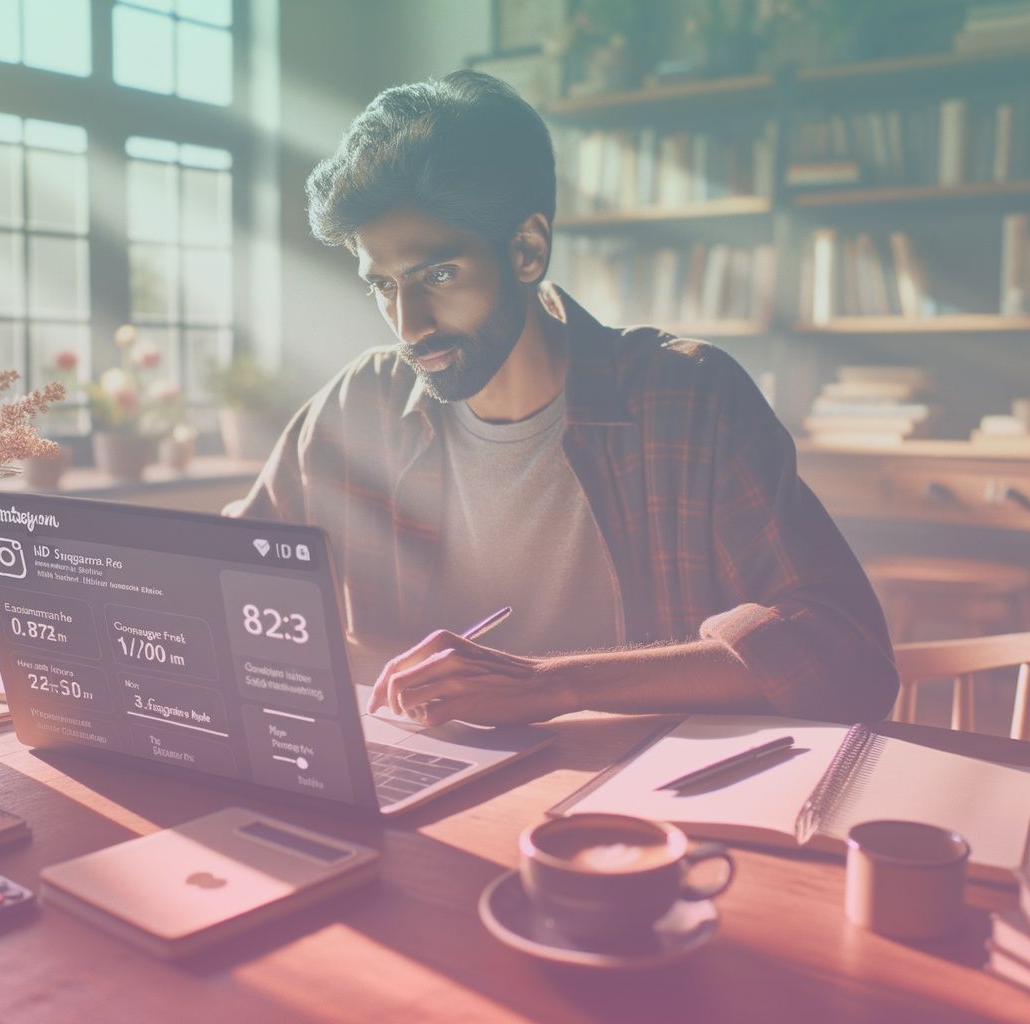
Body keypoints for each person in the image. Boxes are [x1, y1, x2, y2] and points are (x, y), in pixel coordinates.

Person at [230, 69, 896, 728]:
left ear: (526, 249)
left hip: (636, 799)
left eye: (438, 274)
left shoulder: (688, 398)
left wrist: (553, 685)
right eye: (383, 286)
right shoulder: (361, 405)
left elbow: (848, 655)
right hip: (427, 789)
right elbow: (228, 579)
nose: (409, 323)